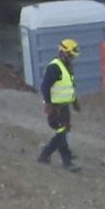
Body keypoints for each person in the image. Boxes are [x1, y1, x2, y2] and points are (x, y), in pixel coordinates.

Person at [37, 38, 83, 172]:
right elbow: (45, 86)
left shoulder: (67, 67)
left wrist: (74, 102)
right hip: (56, 108)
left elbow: (69, 87)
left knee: (63, 132)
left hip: (64, 107)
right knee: (61, 133)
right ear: (63, 53)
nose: (72, 58)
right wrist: (48, 104)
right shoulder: (54, 67)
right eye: (70, 55)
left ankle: (46, 156)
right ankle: (65, 161)